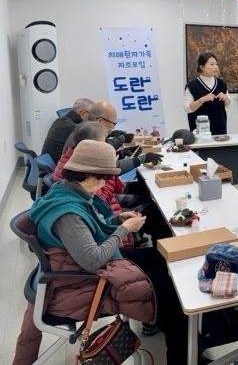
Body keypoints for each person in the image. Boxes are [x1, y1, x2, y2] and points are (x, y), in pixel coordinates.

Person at [13, 140, 188, 365]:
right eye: (102, 178)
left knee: (160, 259)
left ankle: (163, 320)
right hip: (83, 282)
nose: (105, 183)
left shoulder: (65, 190)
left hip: (78, 266)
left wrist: (117, 220)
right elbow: (92, 259)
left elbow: (89, 231)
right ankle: (180, 353)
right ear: (86, 175)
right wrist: (124, 230)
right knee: (175, 297)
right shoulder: (68, 215)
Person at [55, 121, 172, 244]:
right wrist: (108, 174)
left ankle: (142, 239)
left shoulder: (75, 157)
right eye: (104, 143)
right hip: (107, 212)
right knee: (154, 211)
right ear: (90, 145)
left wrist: (121, 156)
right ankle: (159, 250)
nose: (107, 145)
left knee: (139, 189)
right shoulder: (83, 173)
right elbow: (102, 200)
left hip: (106, 209)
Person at [184, 52, 231, 135]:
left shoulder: (221, 84)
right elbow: (187, 108)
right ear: (202, 67)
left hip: (220, 129)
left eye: (216, 64)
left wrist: (226, 98)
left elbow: (228, 105)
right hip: (200, 131)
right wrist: (202, 99)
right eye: (211, 64)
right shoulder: (192, 85)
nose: (215, 67)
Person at [41, 97, 94, 163]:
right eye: (91, 115)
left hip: (50, 163)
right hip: (58, 165)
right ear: (82, 113)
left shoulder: (59, 121)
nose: (92, 119)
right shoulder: (73, 128)